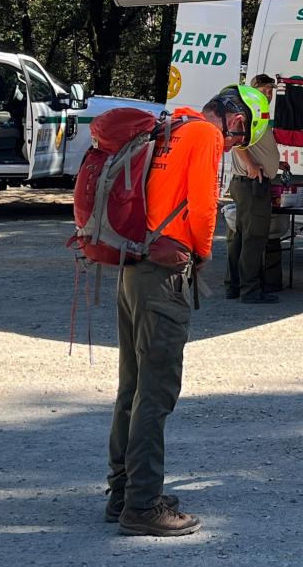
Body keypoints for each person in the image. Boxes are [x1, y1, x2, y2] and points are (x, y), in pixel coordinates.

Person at [107, 85, 250, 537]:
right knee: (157, 392)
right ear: (232, 117)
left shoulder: (170, 125)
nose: (233, 145)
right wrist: (203, 255)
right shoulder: (205, 136)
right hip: (163, 274)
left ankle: (122, 493)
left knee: (131, 387)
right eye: (239, 135)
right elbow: (205, 208)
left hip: (132, 266)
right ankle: (143, 506)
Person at [224, 79, 281, 304]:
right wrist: (250, 165)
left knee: (240, 236)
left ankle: (235, 286)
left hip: (248, 183)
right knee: (254, 237)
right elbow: (236, 141)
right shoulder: (248, 110)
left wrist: (276, 163)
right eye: (263, 90)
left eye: (270, 91)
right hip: (251, 184)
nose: (268, 94)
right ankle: (250, 291)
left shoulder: (254, 111)